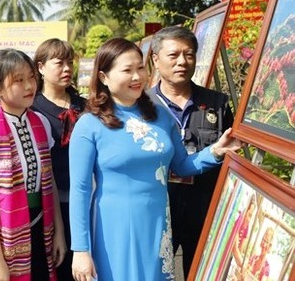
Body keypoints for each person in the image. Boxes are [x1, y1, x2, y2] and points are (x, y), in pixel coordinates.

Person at [69, 38, 242, 281]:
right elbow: (80, 190)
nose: (137, 76)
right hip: (114, 228)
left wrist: (215, 151)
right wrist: (80, 249)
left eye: (140, 67)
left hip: (158, 223)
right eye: (127, 70)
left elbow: (181, 165)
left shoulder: (160, 115)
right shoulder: (89, 125)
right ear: (104, 76)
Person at [147, 25, 235, 278]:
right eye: (173, 55)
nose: (182, 62)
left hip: (205, 210)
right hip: (159, 213)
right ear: (156, 59)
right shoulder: (142, 107)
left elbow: (231, 158)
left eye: (189, 55)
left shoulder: (218, 103)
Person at [0, 48, 66, 281]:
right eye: (18, 80)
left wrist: (59, 233)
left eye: (31, 77)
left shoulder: (41, 122)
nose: (29, 86)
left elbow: (49, 180)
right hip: (7, 232)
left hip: (42, 223)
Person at [32, 38, 86, 281]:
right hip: (52, 203)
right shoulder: (33, 109)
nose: (66, 68)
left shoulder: (85, 106)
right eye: (59, 63)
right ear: (41, 67)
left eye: (69, 62)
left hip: (87, 199)